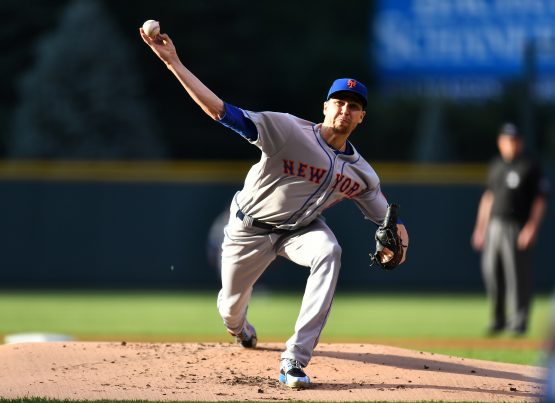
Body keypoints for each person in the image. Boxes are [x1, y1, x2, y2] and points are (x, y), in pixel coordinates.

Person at [140, 28, 409, 389]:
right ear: (325, 107)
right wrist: (173, 63)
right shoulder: (287, 130)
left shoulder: (362, 173)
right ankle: (242, 329)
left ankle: (295, 359)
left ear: (361, 117)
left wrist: (401, 248)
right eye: (339, 102)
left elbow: (388, 220)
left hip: (301, 231)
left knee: (330, 251)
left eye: (354, 106)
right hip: (248, 229)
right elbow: (220, 111)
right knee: (230, 311)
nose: (345, 110)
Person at [471, 122, 549, 336]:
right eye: (507, 140)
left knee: (517, 274)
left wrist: (531, 227)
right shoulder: (496, 165)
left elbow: (540, 200)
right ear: (500, 142)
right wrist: (480, 228)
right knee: (491, 271)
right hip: (494, 225)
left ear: (520, 142)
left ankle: (519, 320)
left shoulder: (529, 165)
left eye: (514, 140)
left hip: (517, 225)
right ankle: (498, 319)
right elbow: (488, 198)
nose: (511, 144)